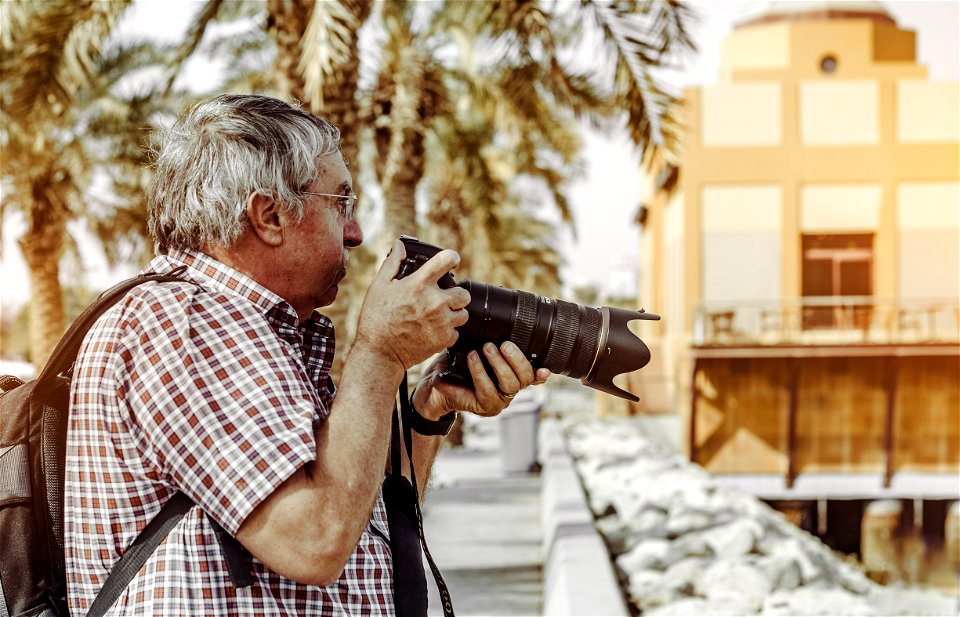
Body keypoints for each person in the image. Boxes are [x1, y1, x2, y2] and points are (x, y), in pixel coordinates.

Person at [64, 93, 549, 615]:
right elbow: (313, 539)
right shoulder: (182, 320)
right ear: (269, 215)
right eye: (340, 203)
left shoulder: (259, 331)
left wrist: (426, 411)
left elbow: (358, 512)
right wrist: (381, 352)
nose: (357, 234)